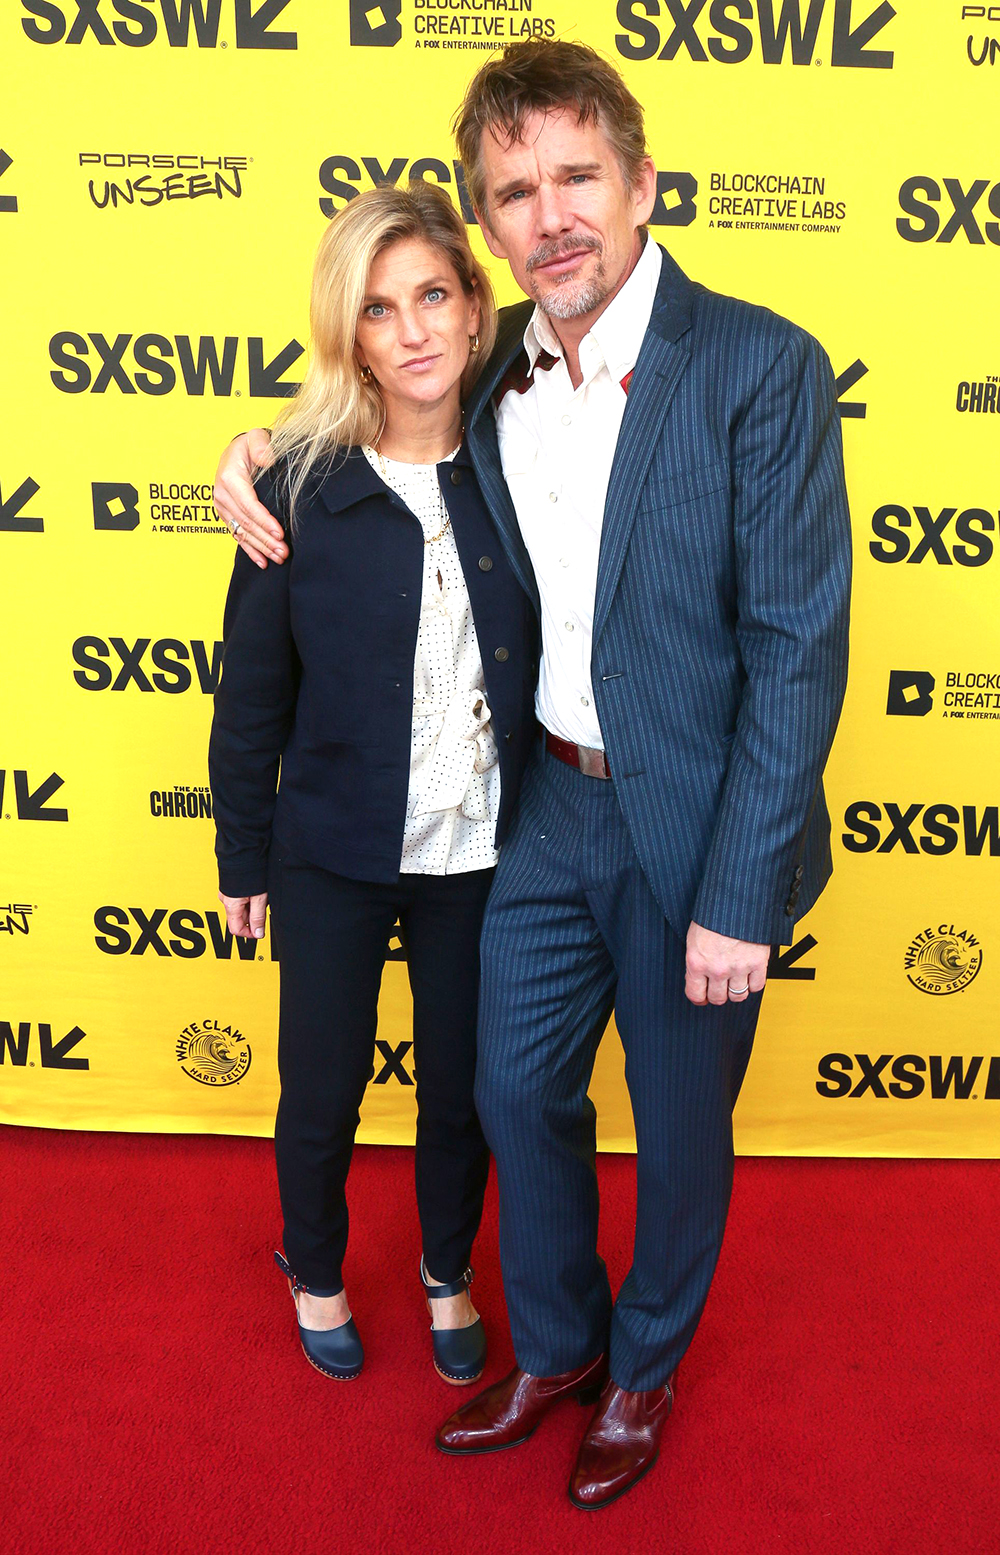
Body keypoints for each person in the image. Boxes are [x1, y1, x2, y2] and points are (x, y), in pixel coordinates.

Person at [213, 40, 851, 1507]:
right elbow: (377, 413)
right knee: (510, 1090)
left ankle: (641, 1366)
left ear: (639, 181)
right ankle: (557, 1339)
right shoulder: (494, 357)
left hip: (698, 820)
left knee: (683, 1126)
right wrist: (248, 455)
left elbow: (799, 645)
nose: (550, 213)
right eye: (515, 191)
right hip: (544, 805)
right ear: (487, 230)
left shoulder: (760, 363)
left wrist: (743, 890)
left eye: (576, 177)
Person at [208, 182, 538, 1386]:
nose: (411, 332)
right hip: (334, 847)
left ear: (472, 307)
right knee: (324, 1086)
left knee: (462, 1090)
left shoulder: (519, 468)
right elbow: (252, 697)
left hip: (483, 848)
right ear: (351, 333)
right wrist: (241, 852)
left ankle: (447, 1272)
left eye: (433, 297)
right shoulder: (296, 487)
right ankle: (316, 1263)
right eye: (380, 309)